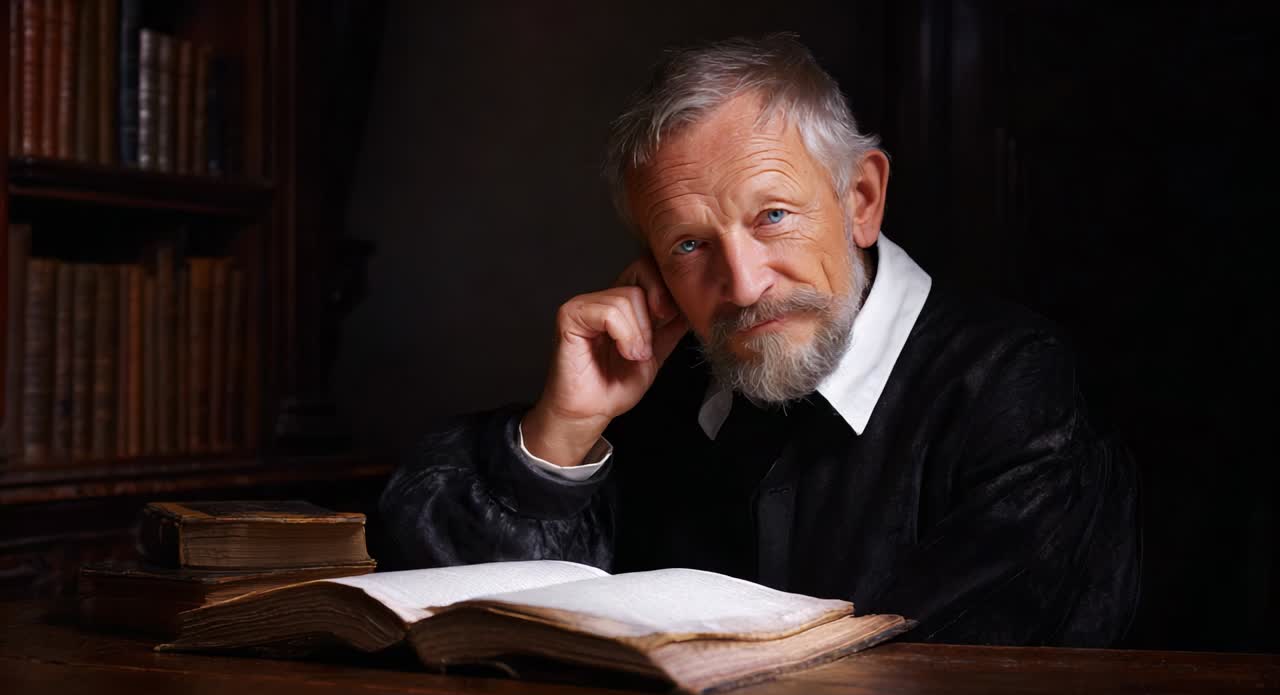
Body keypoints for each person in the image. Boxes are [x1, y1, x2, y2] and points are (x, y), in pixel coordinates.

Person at [380, 34, 1139, 646]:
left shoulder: (1015, 386)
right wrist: (565, 429)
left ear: (861, 200)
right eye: (687, 245)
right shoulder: (663, 386)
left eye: (773, 215)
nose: (742, 286)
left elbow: (972, 670)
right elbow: (448, 617)